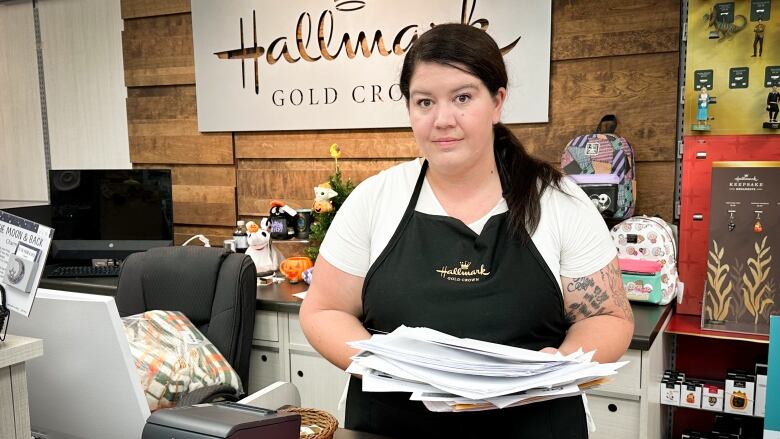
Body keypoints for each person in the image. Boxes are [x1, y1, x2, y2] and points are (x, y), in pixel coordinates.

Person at [300, 23, 634, 438]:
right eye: (425, 102)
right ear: (409, 110)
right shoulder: (375, 199)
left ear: (497, 102)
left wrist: (559, 366)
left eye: (462, 97)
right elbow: (324, 310)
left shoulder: (560, 202)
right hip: (390, 423)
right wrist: (383, 365)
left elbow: (608, 316)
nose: (443, 119)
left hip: (535, 422)